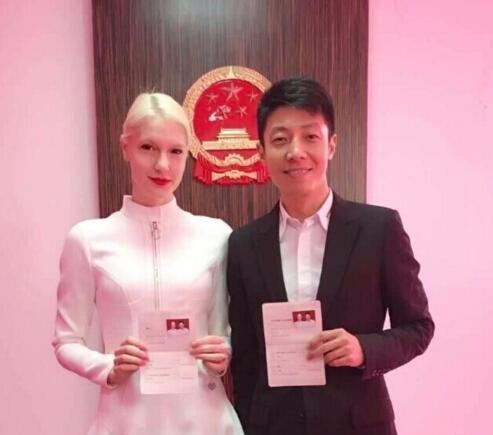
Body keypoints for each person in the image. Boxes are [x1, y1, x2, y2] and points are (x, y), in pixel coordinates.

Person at [227, 77, 434, 435]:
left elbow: (418, 328)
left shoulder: (379, 229)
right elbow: (245, 356)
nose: (296, 152)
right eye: (280, 139)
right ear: (261, 152)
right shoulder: (243, 244)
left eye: (310, 136)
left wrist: (364, 349)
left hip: (358, 424)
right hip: (272, 426)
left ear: (331, 144)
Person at [52, 93, 243, 435]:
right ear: (125, 147)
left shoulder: (216, 236)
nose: (162, 165)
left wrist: (222, 354)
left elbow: (223, 333)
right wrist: (108, 367)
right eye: (148, 148)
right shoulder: (88, 239)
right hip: (125, 421)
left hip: (205, 420)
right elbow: (66, 341)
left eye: (175, 151)